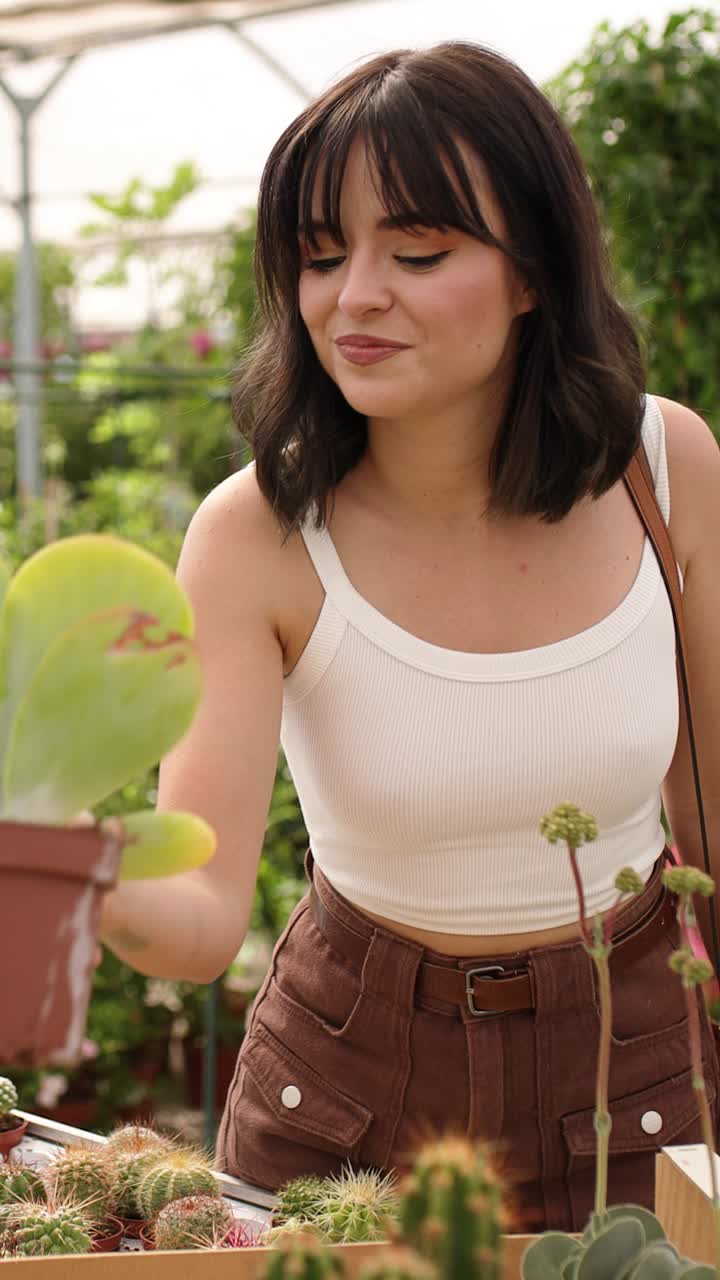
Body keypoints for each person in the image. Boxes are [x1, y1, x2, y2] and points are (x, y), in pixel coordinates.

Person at [98, 41, 720, 1231]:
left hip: (638, 1074)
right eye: (321, 256)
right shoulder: (259, 531)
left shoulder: (665, 470)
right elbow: (196, 916)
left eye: (419, 251)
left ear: (535, 268)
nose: (353, 296)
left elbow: (712, 818)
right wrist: (67, 862)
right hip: (348, 1093)